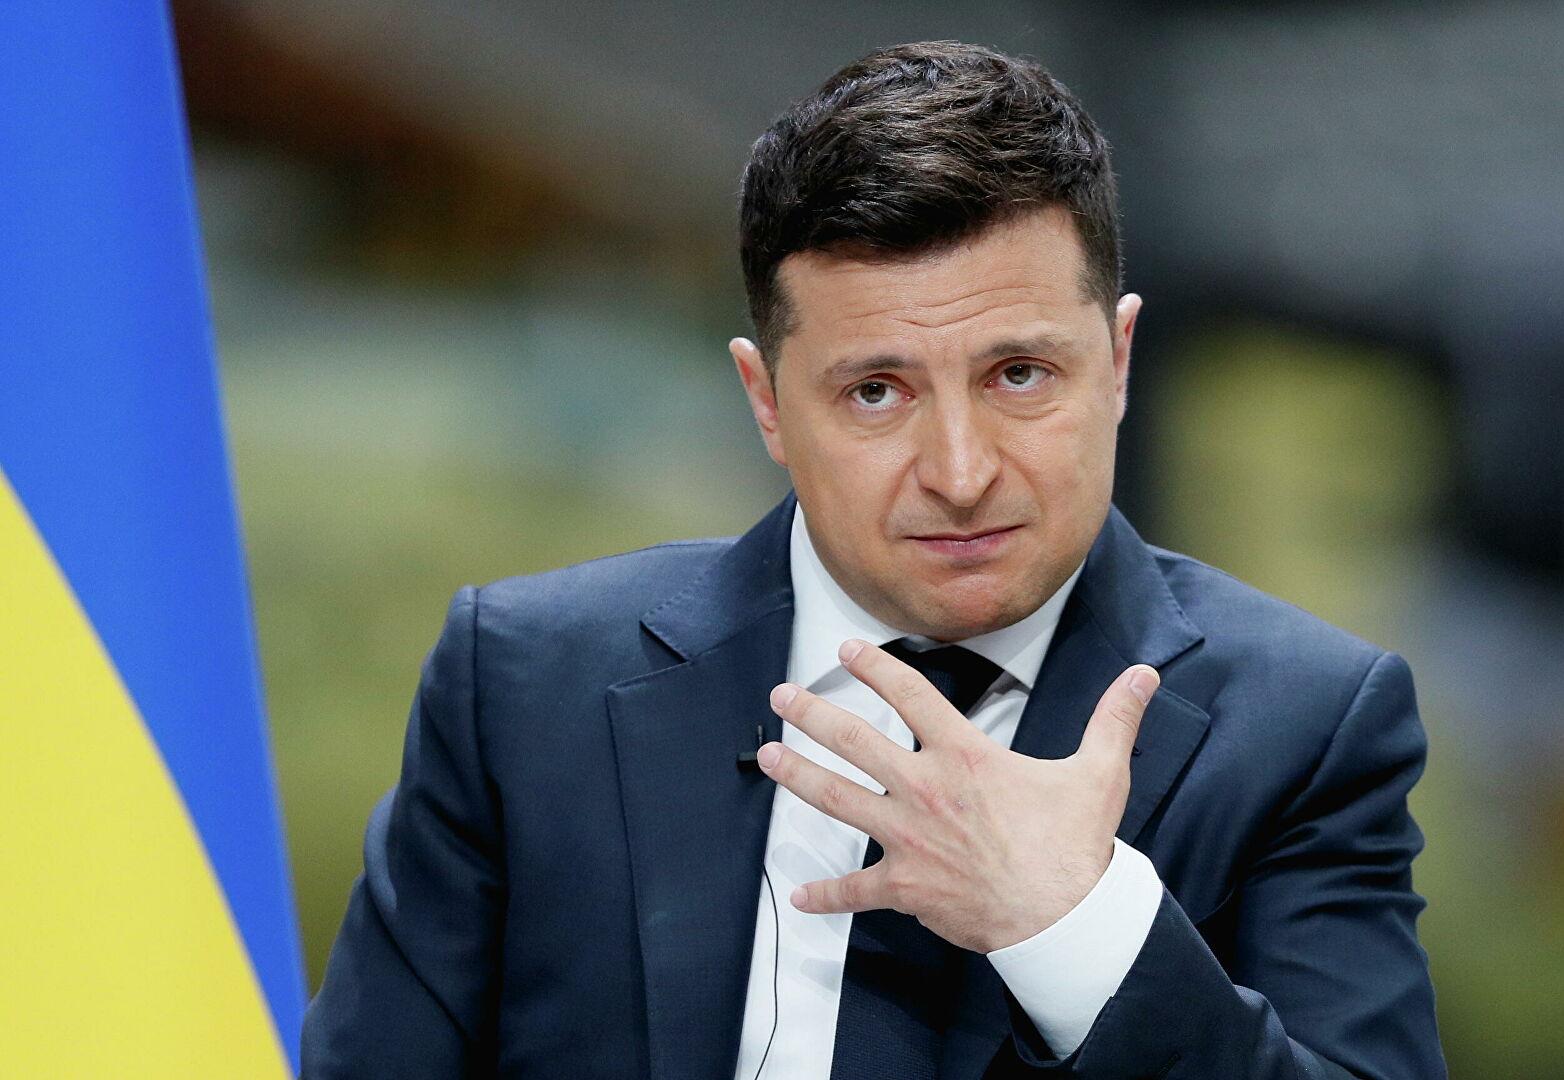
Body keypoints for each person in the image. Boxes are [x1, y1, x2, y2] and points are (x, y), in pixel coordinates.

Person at [302, 40, 1445, 1080]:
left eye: (1018, 376)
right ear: (767, 401)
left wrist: (1075, 925)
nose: (960, 471)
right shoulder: (523, 685)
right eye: (877, 392)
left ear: (1118, 358)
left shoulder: (1306, 728)